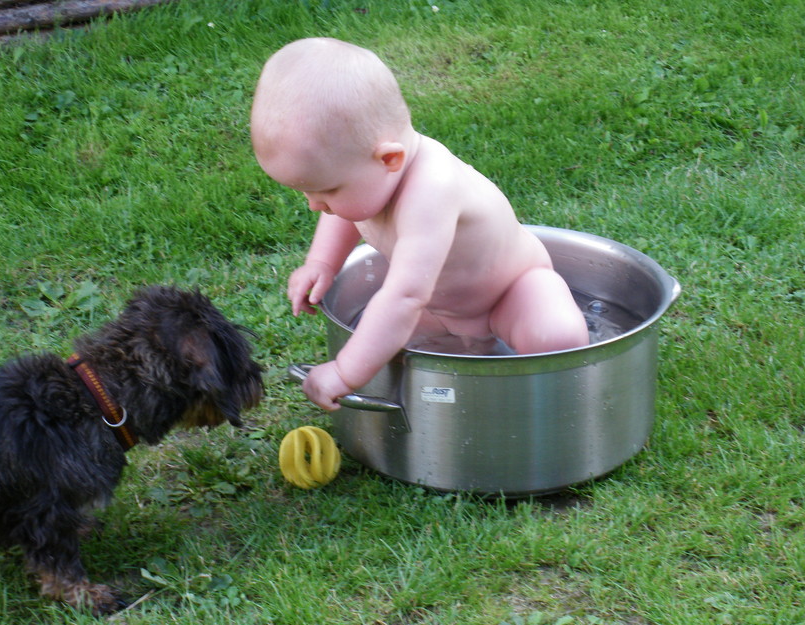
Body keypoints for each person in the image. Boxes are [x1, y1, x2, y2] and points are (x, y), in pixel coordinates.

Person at [251, 37, 589, 411]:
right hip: (439, 307)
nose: (316, 206)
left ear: (389, 159)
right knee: (393, 344)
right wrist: (322, 263)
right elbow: (347, 214)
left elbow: (406, 295)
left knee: (555, 337)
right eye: (308, 192)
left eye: (327, 190)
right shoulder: (371, 176)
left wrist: (347, 373)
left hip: (507, 293)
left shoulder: (432, 189)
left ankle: (555, 398)